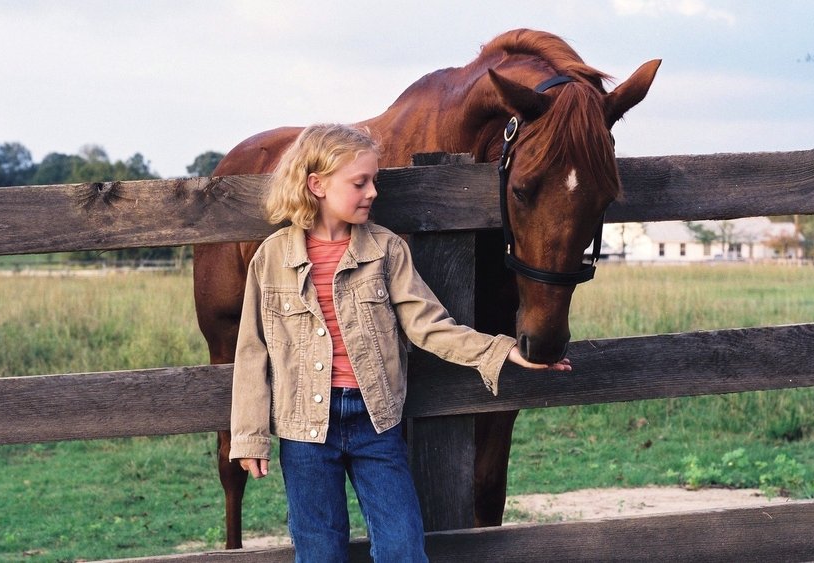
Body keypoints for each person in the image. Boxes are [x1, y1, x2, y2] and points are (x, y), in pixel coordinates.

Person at [229, 123, 571, 562]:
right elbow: (252, 352)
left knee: (404, 549)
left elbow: (427, 324)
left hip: (377, 423)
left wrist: (500, 349)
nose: (372, 192)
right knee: (319, 553)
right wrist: (250, 437)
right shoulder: (272, 258)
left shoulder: (387, 250)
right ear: (316, 185)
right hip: (304, 432)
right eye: (359, 182)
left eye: (374, 181)